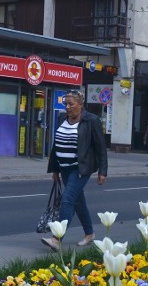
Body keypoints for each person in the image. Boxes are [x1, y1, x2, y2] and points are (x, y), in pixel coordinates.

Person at [41, 90, 107, 252]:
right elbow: (57, 145)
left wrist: (103, 171)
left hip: (81, 167)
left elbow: (101, 148)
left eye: (71, 104)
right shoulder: (62, 118)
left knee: (67, 200)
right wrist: (54, 170)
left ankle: (57, 238)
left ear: (80, 104)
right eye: (66, 104)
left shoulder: (91, 120)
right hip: (64, 167)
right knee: (78, 201)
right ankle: (89, 233)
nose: (68, 107)